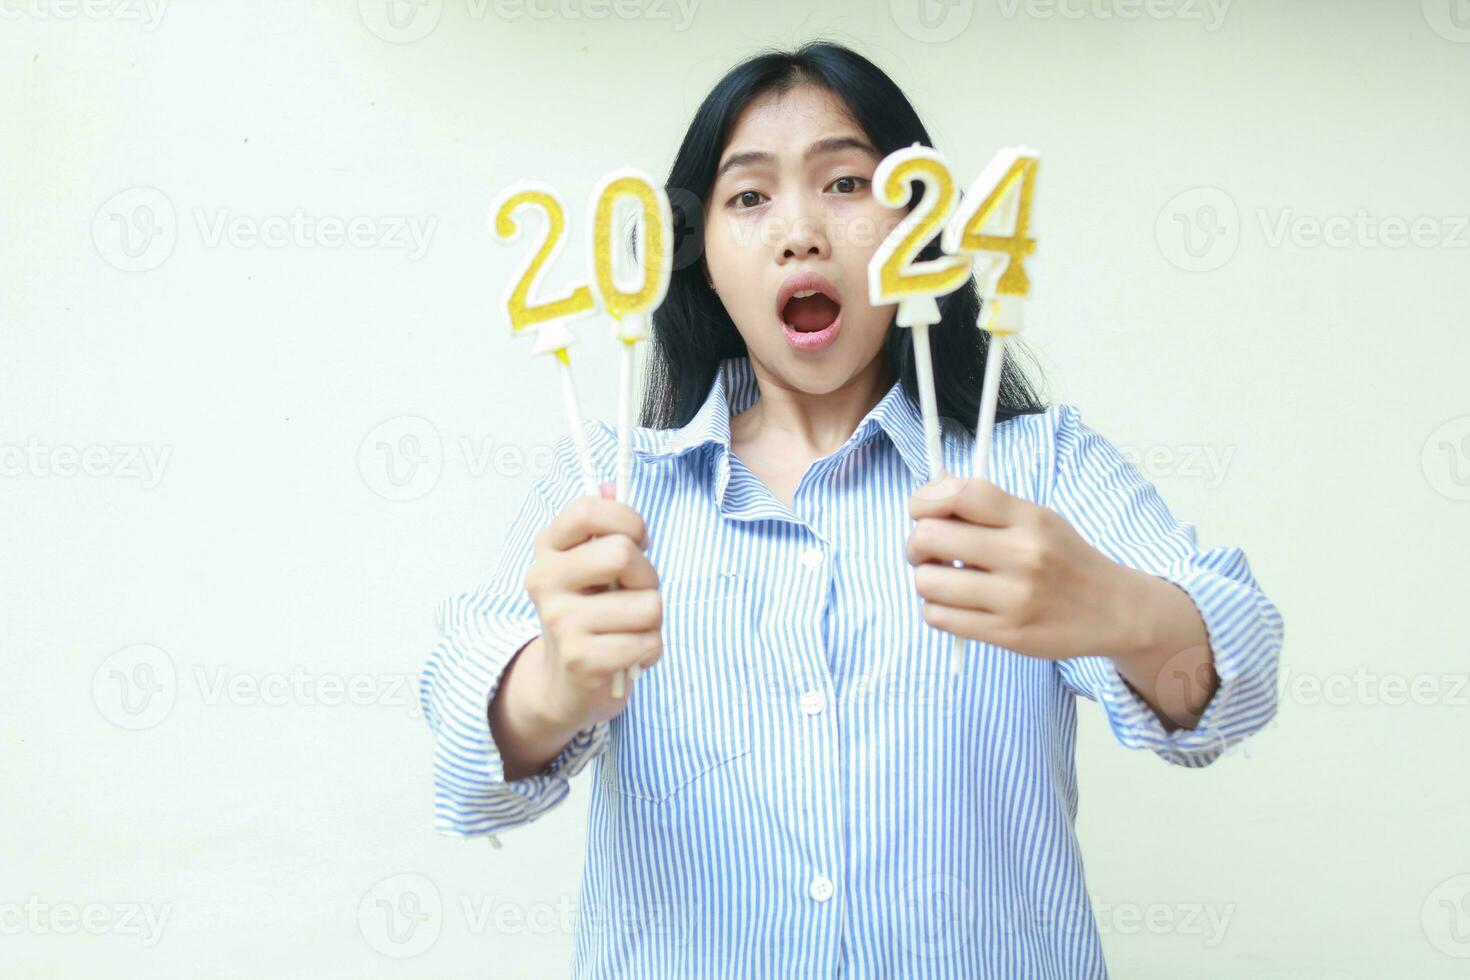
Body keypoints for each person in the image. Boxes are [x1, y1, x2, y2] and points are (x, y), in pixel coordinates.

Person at [419, 40, 1283, 978]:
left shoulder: (1034, 468)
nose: (800, 231)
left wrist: (1120, 613)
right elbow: (466, 767)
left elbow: (1242, 684)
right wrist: (550, 686)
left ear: (916, 229)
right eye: (748, 197)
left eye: (844, 184)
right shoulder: (610, 494)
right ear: (700, 256)